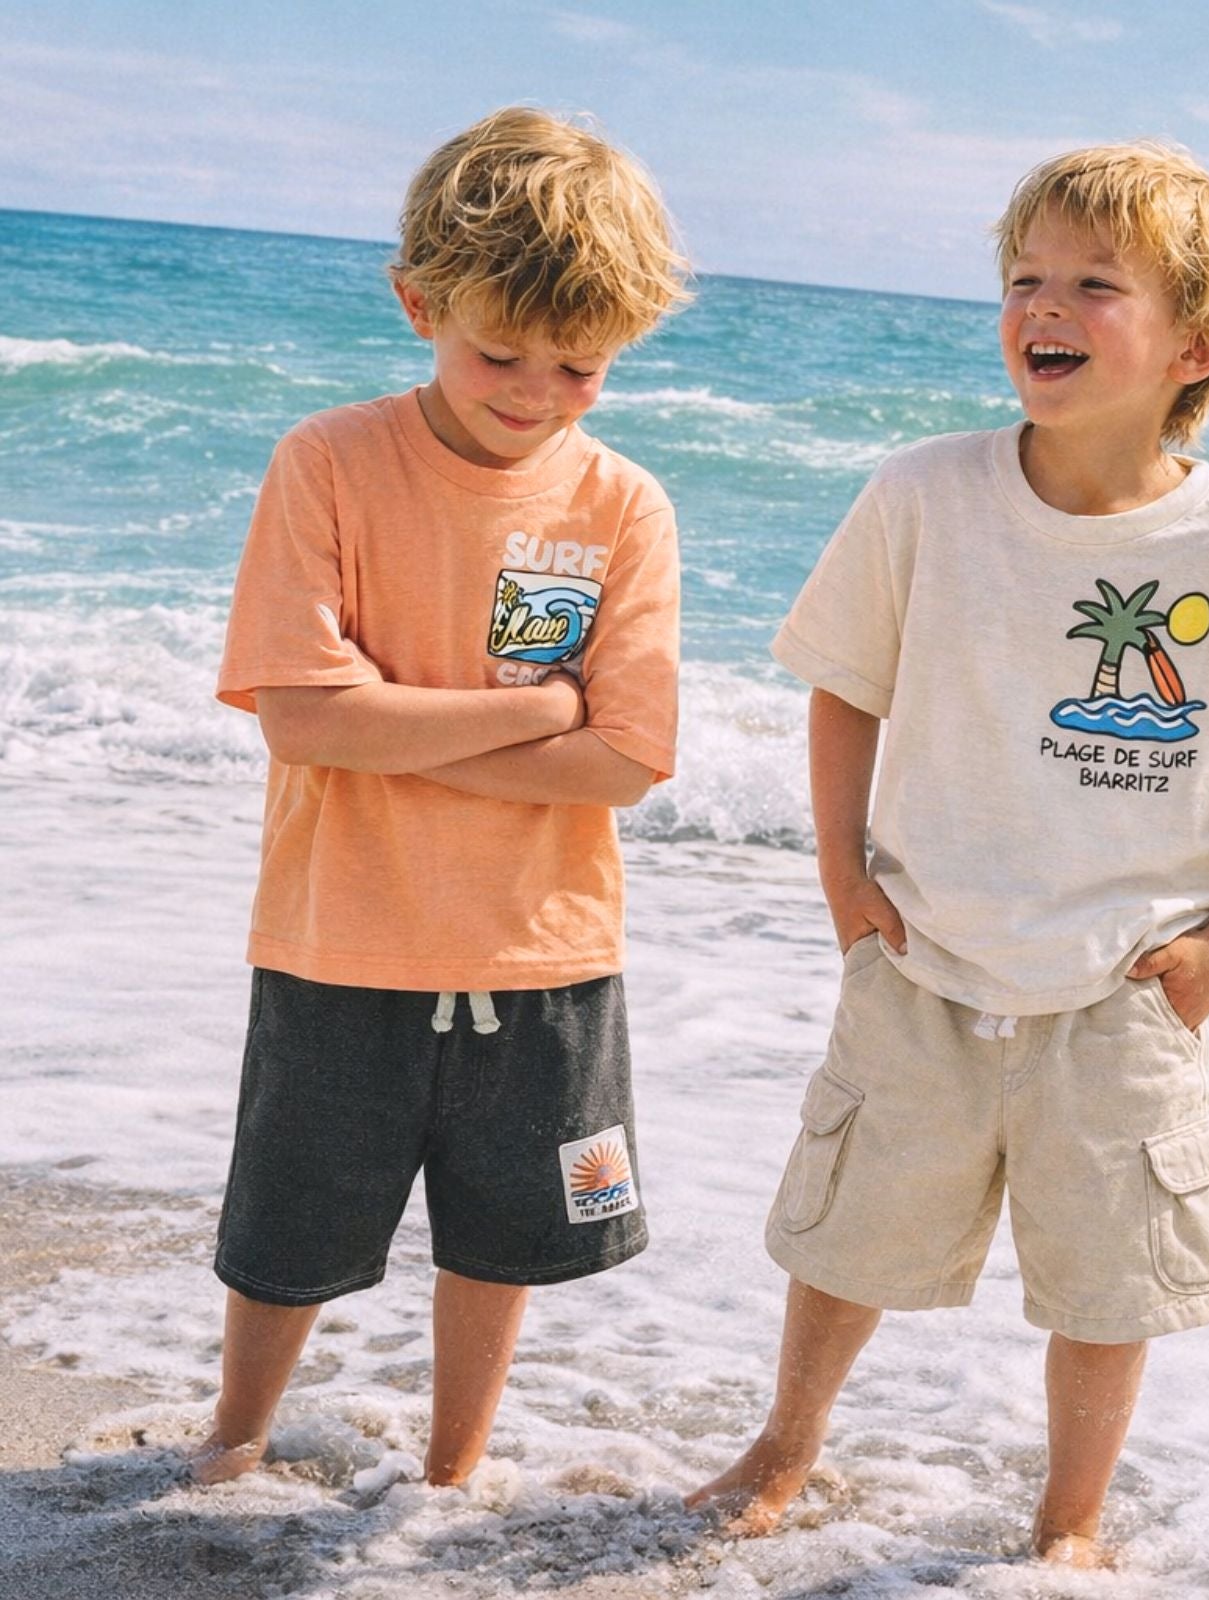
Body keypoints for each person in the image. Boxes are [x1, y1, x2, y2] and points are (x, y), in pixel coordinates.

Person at [688, 142, 1209, 1567]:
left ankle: (1069, 1524)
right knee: (844, 1238)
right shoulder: (925, 493)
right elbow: (843, 685)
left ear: (1201, 343)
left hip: (1121, 991)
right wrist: (843, 879)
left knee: (1106, 1288)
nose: (1039, 306)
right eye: (1022, 279)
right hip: (921, 955)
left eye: (1090, 285)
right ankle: (785, 1445)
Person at [193, 106, 688, 1488]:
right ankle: (230, 1448)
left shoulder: (625, 506)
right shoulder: (331, 462)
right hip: (337, 933)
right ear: (420, 303)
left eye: (580, 366)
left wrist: (384, 725)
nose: (535, 390)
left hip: (545, 946)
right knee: (287, 1230)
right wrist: (537, 708)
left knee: (507, 1233)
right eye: (499, 353)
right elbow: (297, 716)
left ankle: (450, 1477)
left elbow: (631, 760)